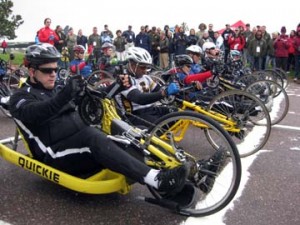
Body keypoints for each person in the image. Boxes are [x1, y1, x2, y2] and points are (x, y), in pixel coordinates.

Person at [8, 43, 188, 197]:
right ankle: (157, 179)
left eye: (55, 69)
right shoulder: (20, 98)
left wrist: (117, 85)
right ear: (31, 71)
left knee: (128, 131)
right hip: (55, 154)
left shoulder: (55, 89)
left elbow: (92, 99)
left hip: (78, 141)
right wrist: (64, 95)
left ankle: (187, 170)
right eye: (48, 70)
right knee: (93, 136)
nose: (53, 74)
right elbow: (38, 112)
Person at [115, 47, 180, 127]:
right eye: (142, 67)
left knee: (177, 114)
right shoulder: (124, 79)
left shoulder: (146, 78)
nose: (145, 70)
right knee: (161, 124)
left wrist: (171, 87)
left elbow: (158, 89)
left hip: (150, 109)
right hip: (134, 115)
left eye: (146, 67)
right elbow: (139, 98)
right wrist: (164, 93)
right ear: (132, 64)